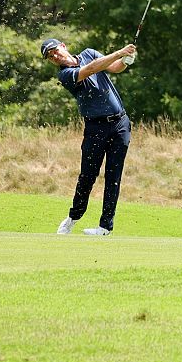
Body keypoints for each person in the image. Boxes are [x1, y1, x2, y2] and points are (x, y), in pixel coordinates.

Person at [42, 38, 137, 236]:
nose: (54, 56)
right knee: (87, 176)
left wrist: (127, 60)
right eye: (50, 57)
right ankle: (73, 217)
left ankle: (105, 227)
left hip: (120, 124)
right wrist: (120, 51)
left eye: (54, 50)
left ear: (63, 46)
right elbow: (92, 69)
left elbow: (114, 67)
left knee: (114, 177)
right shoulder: (65, 75)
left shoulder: (89, 53)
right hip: (95, 128)